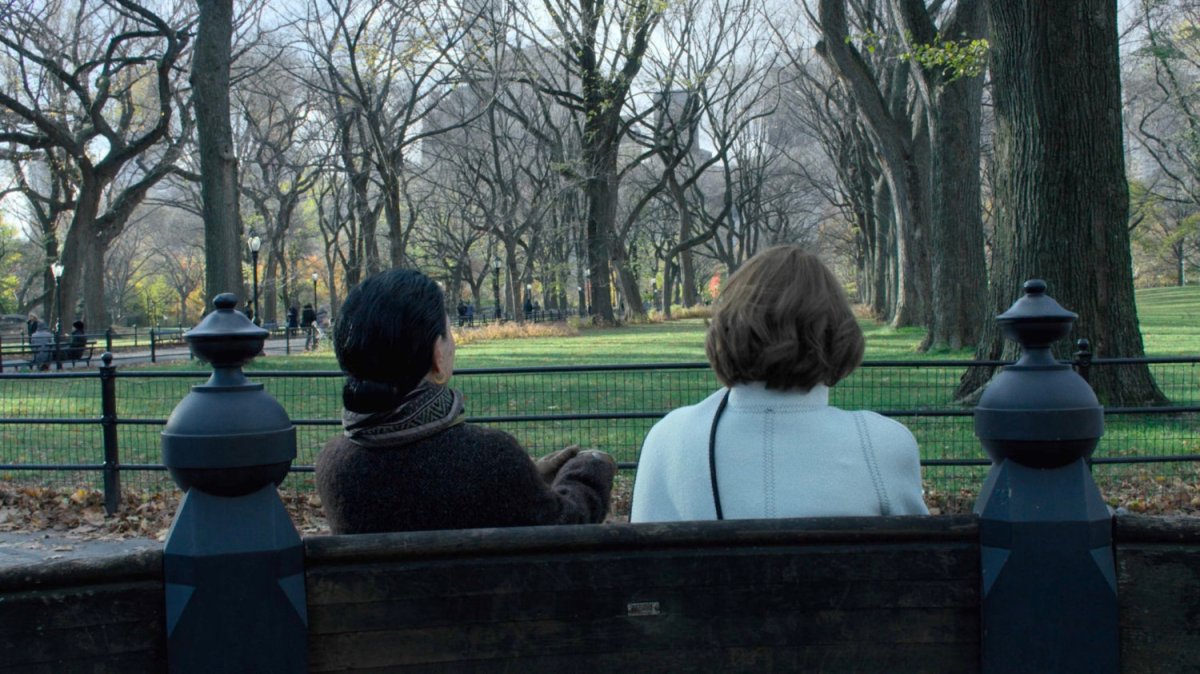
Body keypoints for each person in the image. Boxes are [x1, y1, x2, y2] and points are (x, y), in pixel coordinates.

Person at [630, 245, 927, 522]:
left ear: (727, 326)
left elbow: (639, 567)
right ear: (836, 331)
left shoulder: (669, 437)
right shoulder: (884, 444)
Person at [316, 269, 617, 534]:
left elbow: (422, 495)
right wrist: (589, 469)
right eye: (448, 333)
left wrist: (527, 480)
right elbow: (567, 528)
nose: (454, 343)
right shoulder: (491, 458)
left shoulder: (334, 465)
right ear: (436, 353)